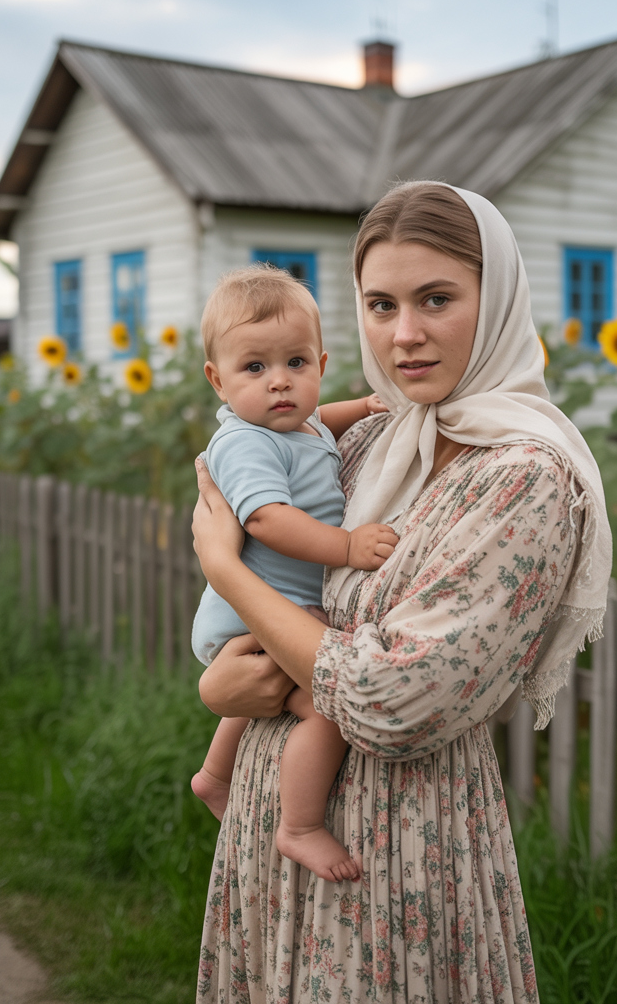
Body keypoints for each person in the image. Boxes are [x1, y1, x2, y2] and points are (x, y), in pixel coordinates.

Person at [191, 182, 613, 1002]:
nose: (405, 334)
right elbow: (263, 541)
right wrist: (222, 684)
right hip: (268, 816)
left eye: (437, 299)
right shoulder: (379, 440)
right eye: (380, 304)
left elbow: (394, 700)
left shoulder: (525, 479)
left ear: (498, 302)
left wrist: (226, 576)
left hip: (397, 854)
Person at [189, 265, 398, 883]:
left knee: (270, 695)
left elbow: (317, 429)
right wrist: (347, 546)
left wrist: (359, 407)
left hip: (267, 610)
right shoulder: (244, 444)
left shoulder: (291, 424)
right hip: (255, 612)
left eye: (296, 364)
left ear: (321, 364)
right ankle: (299, 825)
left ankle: (213, 776)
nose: (280, 382)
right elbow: (268, 521)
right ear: (217, 379)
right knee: (325, 708)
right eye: (255, 368)